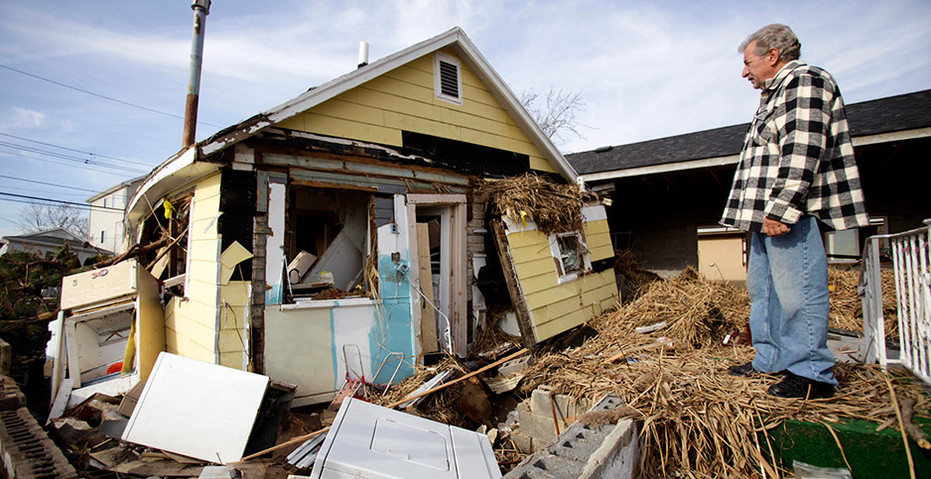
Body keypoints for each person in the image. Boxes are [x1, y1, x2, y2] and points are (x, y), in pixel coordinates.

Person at [720, 24, 869, 399]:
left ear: (772, 56)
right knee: (763, 290)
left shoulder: (805, 82)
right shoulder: (773, 95)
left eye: (748, 62)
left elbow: (803, 149)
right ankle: (770, 359)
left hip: (787, 213)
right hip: (762, 214)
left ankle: (812, 372)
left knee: (797, 291)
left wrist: (783, 209)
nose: (744, 72)